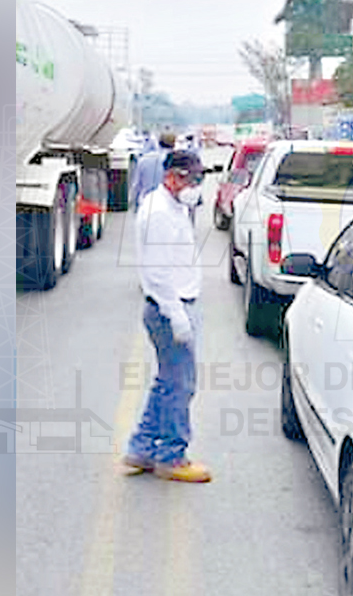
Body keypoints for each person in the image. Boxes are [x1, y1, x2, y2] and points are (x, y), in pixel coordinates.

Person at [122, 151, 211, 483]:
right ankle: (172, 456)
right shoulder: (159, 212)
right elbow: (157, 272)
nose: (198, 187)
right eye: (194, 180)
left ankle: (141, 448)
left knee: (167, 382)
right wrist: (176, 316)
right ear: (173, 177)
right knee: (181, 386)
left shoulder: (173, 207)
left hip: (173, 303)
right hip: (168, 307)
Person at [130, 132, 176, 210]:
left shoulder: (144, 160)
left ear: (159, 143)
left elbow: (136, 185)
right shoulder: (177, 160)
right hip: (169, 204)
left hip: (146, 203)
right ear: (174, 144)